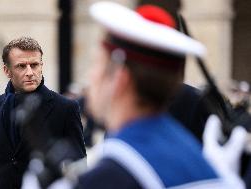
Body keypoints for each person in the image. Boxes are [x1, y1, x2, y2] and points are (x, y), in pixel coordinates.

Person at [22, 2, 247, 189]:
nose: (90, 76)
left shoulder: (115, 175)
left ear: (119, 77)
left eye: (96, 64)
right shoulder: (197, 158)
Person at [0, 37, 86, 189]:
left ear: (41, 66)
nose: (30, 72)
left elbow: (79, 170)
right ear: (7, 71)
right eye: (21, 66)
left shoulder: (66, 108)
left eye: (34, 65)